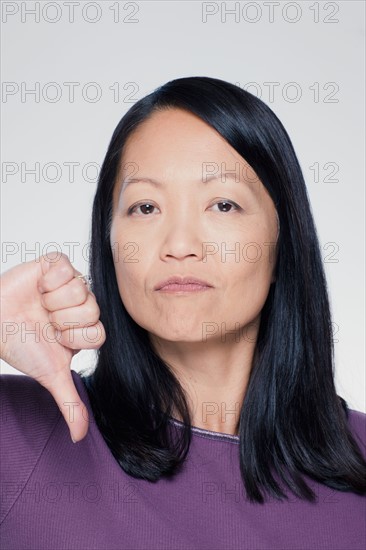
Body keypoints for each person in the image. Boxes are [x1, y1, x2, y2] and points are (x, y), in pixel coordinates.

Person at [0, 76, 365, 550]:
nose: (178, 246)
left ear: (283, 247)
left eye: (223, 204)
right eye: (145, 206)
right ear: (109, 244)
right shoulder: (18, 436)